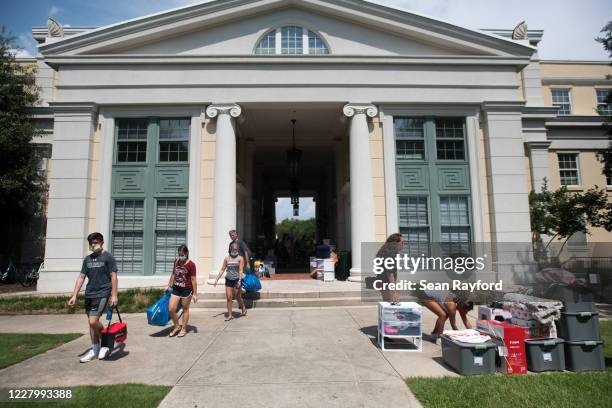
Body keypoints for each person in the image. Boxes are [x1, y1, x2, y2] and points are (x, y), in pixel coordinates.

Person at [67, 232, 118, 362]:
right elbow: (81, 277)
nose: (93, 244)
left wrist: (114, 295)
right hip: (89, 293)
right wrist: (74, 295)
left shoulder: (108, 257)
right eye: (91, 243)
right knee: (91, 324)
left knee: (93, 321)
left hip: (102, 292)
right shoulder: (87, 259)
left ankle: (108, 341)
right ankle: (95, 349)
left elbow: (113, 276)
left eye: (95, 242)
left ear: (101, 242)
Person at [167, 245, 197, 338]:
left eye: (182, 254)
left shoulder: (191, 264)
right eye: (179, 254)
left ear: (186, 253)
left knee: (185, 309)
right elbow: (173, 274)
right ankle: (177, 326)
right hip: (176, 288)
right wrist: (168, 286)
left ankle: (183, 328)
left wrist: (195, 294)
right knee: (171, 309)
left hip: (186, 289)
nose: (180, 256)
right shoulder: (176, 261)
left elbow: (193, 280)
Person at [214, 242, 247, 321]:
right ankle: (230, 315)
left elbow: (240, 270)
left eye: (236, 249)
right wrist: (217, 279)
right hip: (228, 280)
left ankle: (243, 308)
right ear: (230, 249)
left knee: (237, 297)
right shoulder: (226, 258)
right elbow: (222, 269)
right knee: (229, 298)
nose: (235, 251)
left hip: (237, 280)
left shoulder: (240, 258)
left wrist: (239, 280)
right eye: (233, 249)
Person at [375, 233, 404, 304]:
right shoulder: (390, 254)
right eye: (402, 243)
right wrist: (394, 292)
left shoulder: (386, 251)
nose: (403, 245)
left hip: (383, 282)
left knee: (388, 305)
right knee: (390, 306)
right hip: (386, 284)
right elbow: (390, 273)